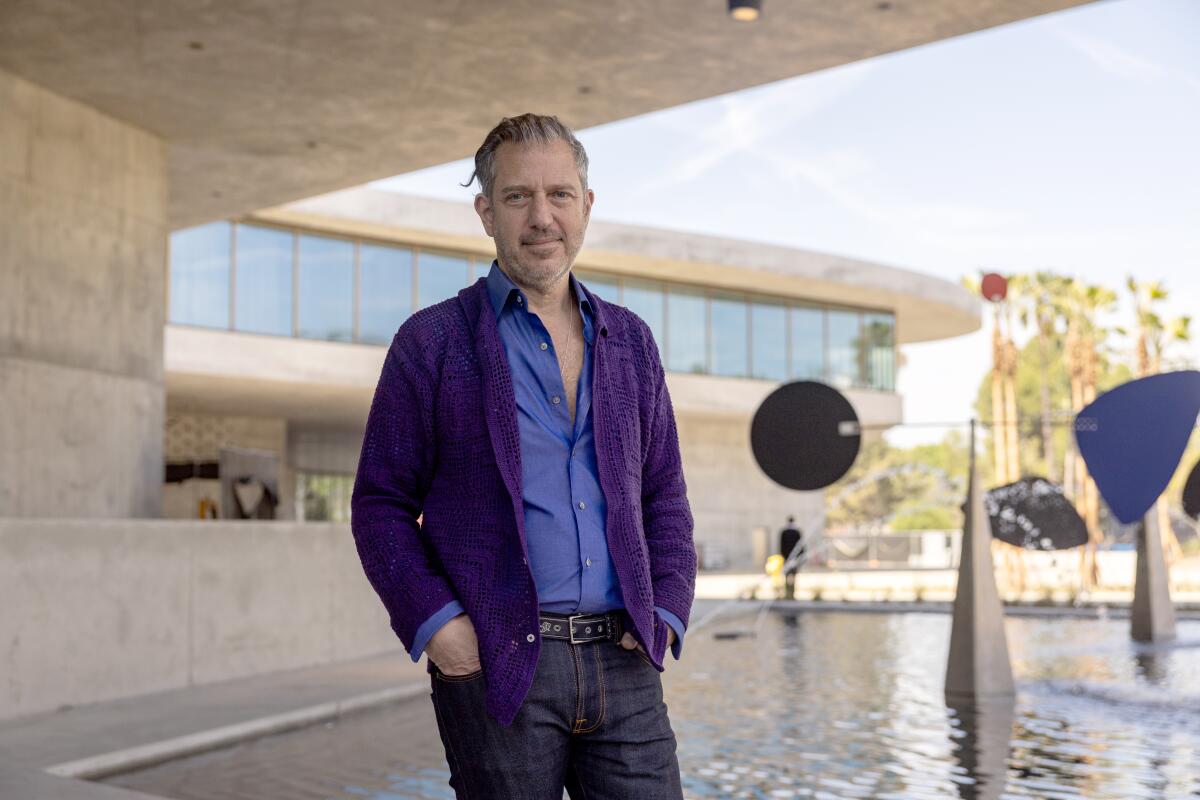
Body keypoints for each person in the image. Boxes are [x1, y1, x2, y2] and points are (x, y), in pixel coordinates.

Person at [350, 113, 696, 799]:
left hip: (626, 662)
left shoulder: (631, 342)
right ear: (486, 211)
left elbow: (664, 496)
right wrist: (439, 627)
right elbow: (380, 505)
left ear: (586, 206)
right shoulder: (433, 343)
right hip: (499, 662)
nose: (543, 217)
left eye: (560, 195)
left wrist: (666, 610)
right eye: (518, 198)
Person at [779, 516, 805, 600]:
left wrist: (784, 556)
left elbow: (781, 547)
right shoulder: (796, 532)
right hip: (794, 558)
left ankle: (788, 594)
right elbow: (801, 546)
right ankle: (792, 594)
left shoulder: (784, 532)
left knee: (787, 575)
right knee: (793, 576)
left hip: (787, 558)